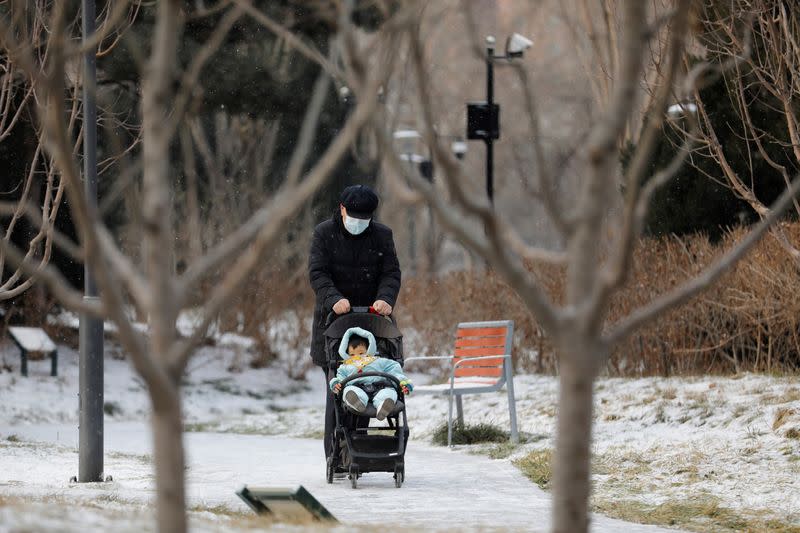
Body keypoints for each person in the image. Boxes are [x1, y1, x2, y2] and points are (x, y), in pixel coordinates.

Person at [308, 183, 402, 459]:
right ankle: (335, 452)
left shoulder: (382, 235)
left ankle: (357, 450)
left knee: (370, 382)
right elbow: (317, 273)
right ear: (342, 209)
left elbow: (391, 272)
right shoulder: (324, 233)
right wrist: (333, 298)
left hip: (373, 321)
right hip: (333, 323)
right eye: (354, 217)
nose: (358, 224)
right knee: (338, 386)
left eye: (365, 219)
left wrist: (385, 298)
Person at [329, 327, 412, 421]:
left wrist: (402, 381)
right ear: (347, 353)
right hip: (357, 387)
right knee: (349, 389)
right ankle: (357, 402)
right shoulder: (346, 366)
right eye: (352, 354)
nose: (357, 357)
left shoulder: (378, 361)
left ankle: (384, 405)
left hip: (380, 387)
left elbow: (394, 369)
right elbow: (340, 377)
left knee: (388, 392)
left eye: (361, 353)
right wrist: (336, 383)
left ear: (369, 349)